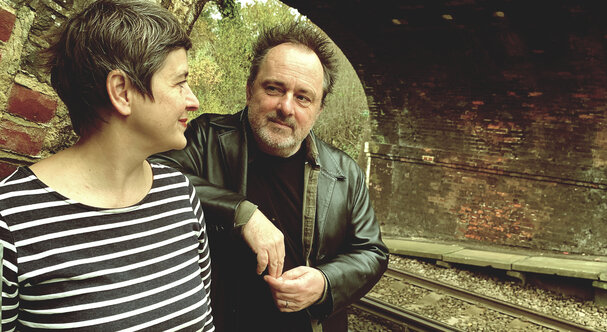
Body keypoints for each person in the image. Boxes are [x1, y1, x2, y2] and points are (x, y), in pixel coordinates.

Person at [151, 22, 389, 331]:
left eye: (303, 97)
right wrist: (241, 213)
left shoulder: (346, 173)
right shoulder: (204, 138)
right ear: (250, 89)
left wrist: (325, 282)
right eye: (274, 89)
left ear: (318, 109)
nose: (286, 107)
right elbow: (156, 173)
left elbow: (372, 251)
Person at [0, 0, 214, 330]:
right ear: (122, 91)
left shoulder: (180, 195)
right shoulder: (10, 221)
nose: (193, 100)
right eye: (179, 81)